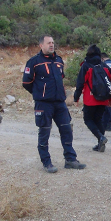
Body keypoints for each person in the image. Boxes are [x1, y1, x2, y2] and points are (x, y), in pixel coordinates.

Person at [22, 35, 86, 173]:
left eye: (53, 42)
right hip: (44, 104)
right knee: (44, 132)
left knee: (67, 130)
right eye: (48, 43)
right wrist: (40, 93)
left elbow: (61, 79)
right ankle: (46, 162)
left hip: (59, 103)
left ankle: (70, 159)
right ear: (41, 45)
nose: (52, 45)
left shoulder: (59, 61)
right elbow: (26, 83)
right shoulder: (34, 62)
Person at [74, 44, 111, 152]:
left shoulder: (86, 66)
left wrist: (76, 98)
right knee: (98, 119)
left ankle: (101, 138)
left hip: (90, 98)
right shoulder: (105, 66)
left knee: (88, 119)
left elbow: (80, 83)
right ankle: (100, 143)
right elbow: (110, 83)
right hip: (104, 98)